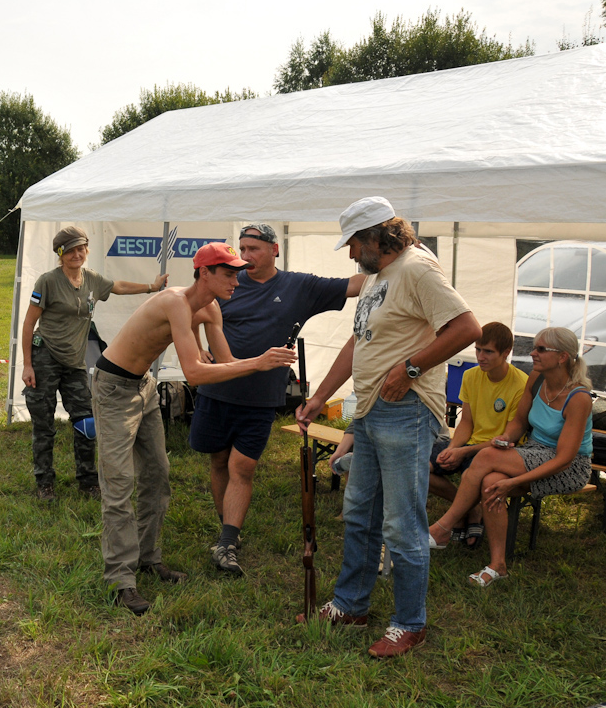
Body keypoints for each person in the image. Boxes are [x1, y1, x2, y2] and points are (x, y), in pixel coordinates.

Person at [296, 196, 480, 658]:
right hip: (371, 410)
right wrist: (320, 396)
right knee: (360, 513)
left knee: (402, 525)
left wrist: (411, 369)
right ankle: (351, 605)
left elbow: (467, 327)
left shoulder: (418, 269)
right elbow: (359, 342)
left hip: (407, 410)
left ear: (378, 234)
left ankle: (409, 624)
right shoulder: (378, 277)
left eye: (355, 243)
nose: (352, 254)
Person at [94, 242, 298, 615]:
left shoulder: (210, 308)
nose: (237, 279)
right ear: (204, 273)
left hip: (143, 386)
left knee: (157, 475)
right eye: (229, 273)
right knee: (119, 483)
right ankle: (120, 580)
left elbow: (226, 363)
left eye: (237, 273)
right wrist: (259, 362)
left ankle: (148, 558)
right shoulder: (174, 301)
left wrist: (264, 365)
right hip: (113, 387)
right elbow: (196, 375)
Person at [190, 222, 365, 575]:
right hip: (216, 390)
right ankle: (229, 531)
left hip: (259, 397)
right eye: (242, 248)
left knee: (243, 467)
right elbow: (189, 310)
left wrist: (401, 260)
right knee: (219, 460)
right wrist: (196, 346)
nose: (246, 256)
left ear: (275, 250)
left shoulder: (299, 286)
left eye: (254, 248)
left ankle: (226, 541)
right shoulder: (226, 282)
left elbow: (355, 285)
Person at [429, 327, 593, 587]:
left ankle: (442, 528)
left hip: (569, 467)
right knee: (490, 480)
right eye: (534, 347)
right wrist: (506, 438)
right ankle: (498, 565)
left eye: (540, 349)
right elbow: (519, 422)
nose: (533, 353)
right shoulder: (537, 378)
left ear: (562, 357)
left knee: (487, 462)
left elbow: (564, 460)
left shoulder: (579, 397)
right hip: (536, 451)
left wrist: (513, 482)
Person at [21, 226, 169, 502]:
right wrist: (27, 365)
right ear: (61, 254)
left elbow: (118, 287)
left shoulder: (91, 280)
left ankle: (88, 481)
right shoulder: (47, 281)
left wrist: (152, 287)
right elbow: (29, 323)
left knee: (87, 423)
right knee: (44, 424)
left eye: (82, 248)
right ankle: (44, 482)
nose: (77, 254)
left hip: (74, 362)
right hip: (45, 358)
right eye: (71, 250)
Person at [426, 322, 528, 551]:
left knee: (472, 474)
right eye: (478, 350)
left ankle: (457, 517)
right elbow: (467, 422)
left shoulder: (521, 384)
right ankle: (470, 509)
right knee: (419, 467)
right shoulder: (471, 375)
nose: (481, 356)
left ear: (506, 353)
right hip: (470, 445)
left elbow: (507, 439)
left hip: (500, 452)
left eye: (488, 352)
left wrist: (463, 451)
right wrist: (452, 448)